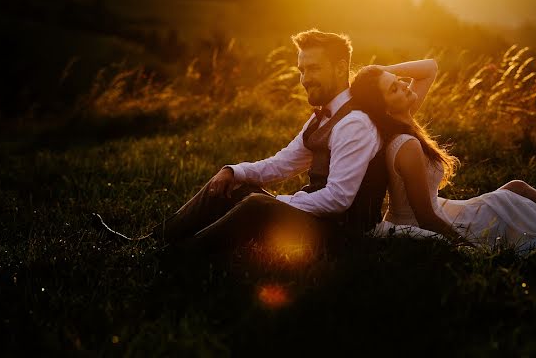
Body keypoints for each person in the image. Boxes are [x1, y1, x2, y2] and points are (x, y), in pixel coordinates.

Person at [349, 59, 536, 254]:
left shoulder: (401, 118)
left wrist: (381, 74)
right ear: (385, 108)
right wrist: (467, 248)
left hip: (444, 209)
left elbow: (429, 67)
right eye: (394, 89)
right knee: (512, 207)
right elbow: (426, 217)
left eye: (399, 83)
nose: (405, 86)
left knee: (516, 188)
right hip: (435, 221)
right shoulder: (405, 144)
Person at [154, 29, 387, 254]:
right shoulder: (321, 118)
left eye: (314, 69)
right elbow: (281, 164)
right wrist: (235, 171)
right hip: (319, 221)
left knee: (257, 205)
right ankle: (159, 239)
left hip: (344, 235)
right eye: (302, 70)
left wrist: (280, 202)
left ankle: (181, 255)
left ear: (340, 69)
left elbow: (338, 199)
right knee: (234, 185)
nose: (305, 79)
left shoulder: (354, 123)